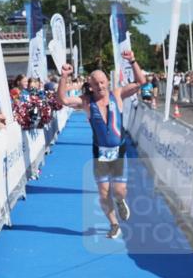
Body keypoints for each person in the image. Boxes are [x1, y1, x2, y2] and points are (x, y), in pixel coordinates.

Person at [57, 50, 146, 239]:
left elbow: (140, 82)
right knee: (104, 193)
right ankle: (114, 224)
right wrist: (64, 76)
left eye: (102, 82)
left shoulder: (117, 94)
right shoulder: (86, 102)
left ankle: (120, 201)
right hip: (100, 152)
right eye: (96, 83)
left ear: (107, 82)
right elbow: (63, 100)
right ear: (90, 85)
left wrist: (133, 61)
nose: (100, 86)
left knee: (119, 191)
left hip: (119, 150)